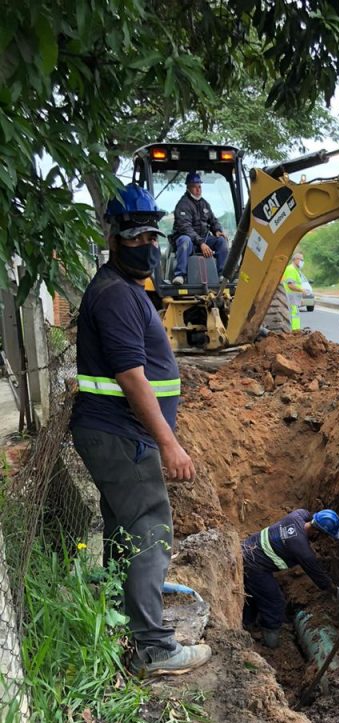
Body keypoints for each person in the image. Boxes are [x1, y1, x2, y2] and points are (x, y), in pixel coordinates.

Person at [70, 184, 212, 677]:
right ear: (113, 238)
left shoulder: (125, 290)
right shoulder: (115, 296)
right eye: (135, 237)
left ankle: (117, 614)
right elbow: (133, 377)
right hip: (121, 435)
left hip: (116, 435)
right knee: (151, 528)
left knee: (123, 528)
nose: (146, 245)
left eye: (152, 235)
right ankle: (154, 648)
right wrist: (169, 444)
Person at [242, 509, 339, 648]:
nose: (324, 540)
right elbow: (319, 576)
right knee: (275, 602)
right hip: (254, 566)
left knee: (257, 595)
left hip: (248, 547)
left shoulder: (298, 515)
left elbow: (317, 520)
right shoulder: (301, 549)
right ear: (317, 533)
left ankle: (247, 623)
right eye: (325, 536)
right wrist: (337, 592)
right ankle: (270, 644)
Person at [171, 171, 229, 285]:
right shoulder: (182, 205)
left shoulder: (204, 204)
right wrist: (201, 243)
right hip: (190, 240)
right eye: (194, 187)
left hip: (204, 239)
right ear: (188, 187)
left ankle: (222, 275)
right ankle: (180, 275)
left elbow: (213, 220)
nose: (198, 190)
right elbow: (185, 227)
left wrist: (217, 230)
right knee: (184, 241)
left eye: (199, 187)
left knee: (221, 241)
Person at [282, 251, 305, 331]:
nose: (302, 262)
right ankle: (294, 331)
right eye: (301, 259)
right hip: (290, 297)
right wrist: (302, 290)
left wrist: (300, 297)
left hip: (294, 298)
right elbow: (290, 285)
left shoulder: (296, 270)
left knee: (295, 314)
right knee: (293, 314)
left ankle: (296, 330)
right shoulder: (291, 269)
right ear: (295, 259)